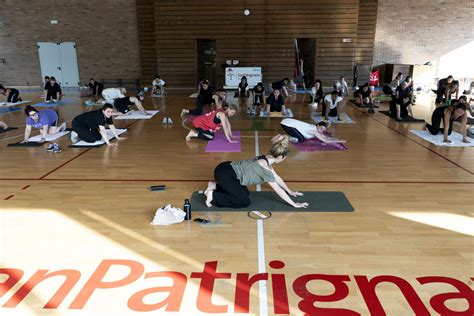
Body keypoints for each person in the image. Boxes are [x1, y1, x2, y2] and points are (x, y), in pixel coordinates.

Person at [202, 135, 308, 209]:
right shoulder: (265, 168)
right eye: (285, 158)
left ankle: (215, 185)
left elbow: (276, 177)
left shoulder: (265, 158)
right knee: (244, 202)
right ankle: (213, 196)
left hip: (225, 167)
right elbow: (279, 191)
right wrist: (294, 204)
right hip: (225, 175)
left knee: (245, 193)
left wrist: (290, 191)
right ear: (280, 157)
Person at [280, 118, 345, 144]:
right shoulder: (314, 131)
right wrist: (339, 141)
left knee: (301, 138)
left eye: (323, 130)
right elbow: (325, 140)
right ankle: (283, 137)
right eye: (321, 128)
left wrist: (336, 139)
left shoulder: (315, 128)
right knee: (301, 139)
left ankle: (285, 136)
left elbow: (325, 137)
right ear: (318, 126)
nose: (322, 131)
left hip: (287, 122)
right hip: (287, 124)